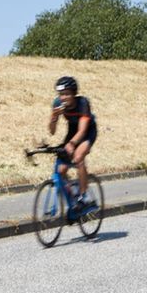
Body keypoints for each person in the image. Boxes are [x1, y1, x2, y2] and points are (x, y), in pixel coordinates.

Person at [47, 76, 97, 211]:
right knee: (61, 170)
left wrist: (72, 143)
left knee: (78, 157)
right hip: (72, 131)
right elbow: (52, 131)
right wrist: (53, 117)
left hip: (87, 131)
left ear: (74, 94)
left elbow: (82, 130)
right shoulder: (57, 103)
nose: (63, 98)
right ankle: (73, 195)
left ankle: (84, 196)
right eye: (61, 94)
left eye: (67, 94)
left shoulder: (82, 103)